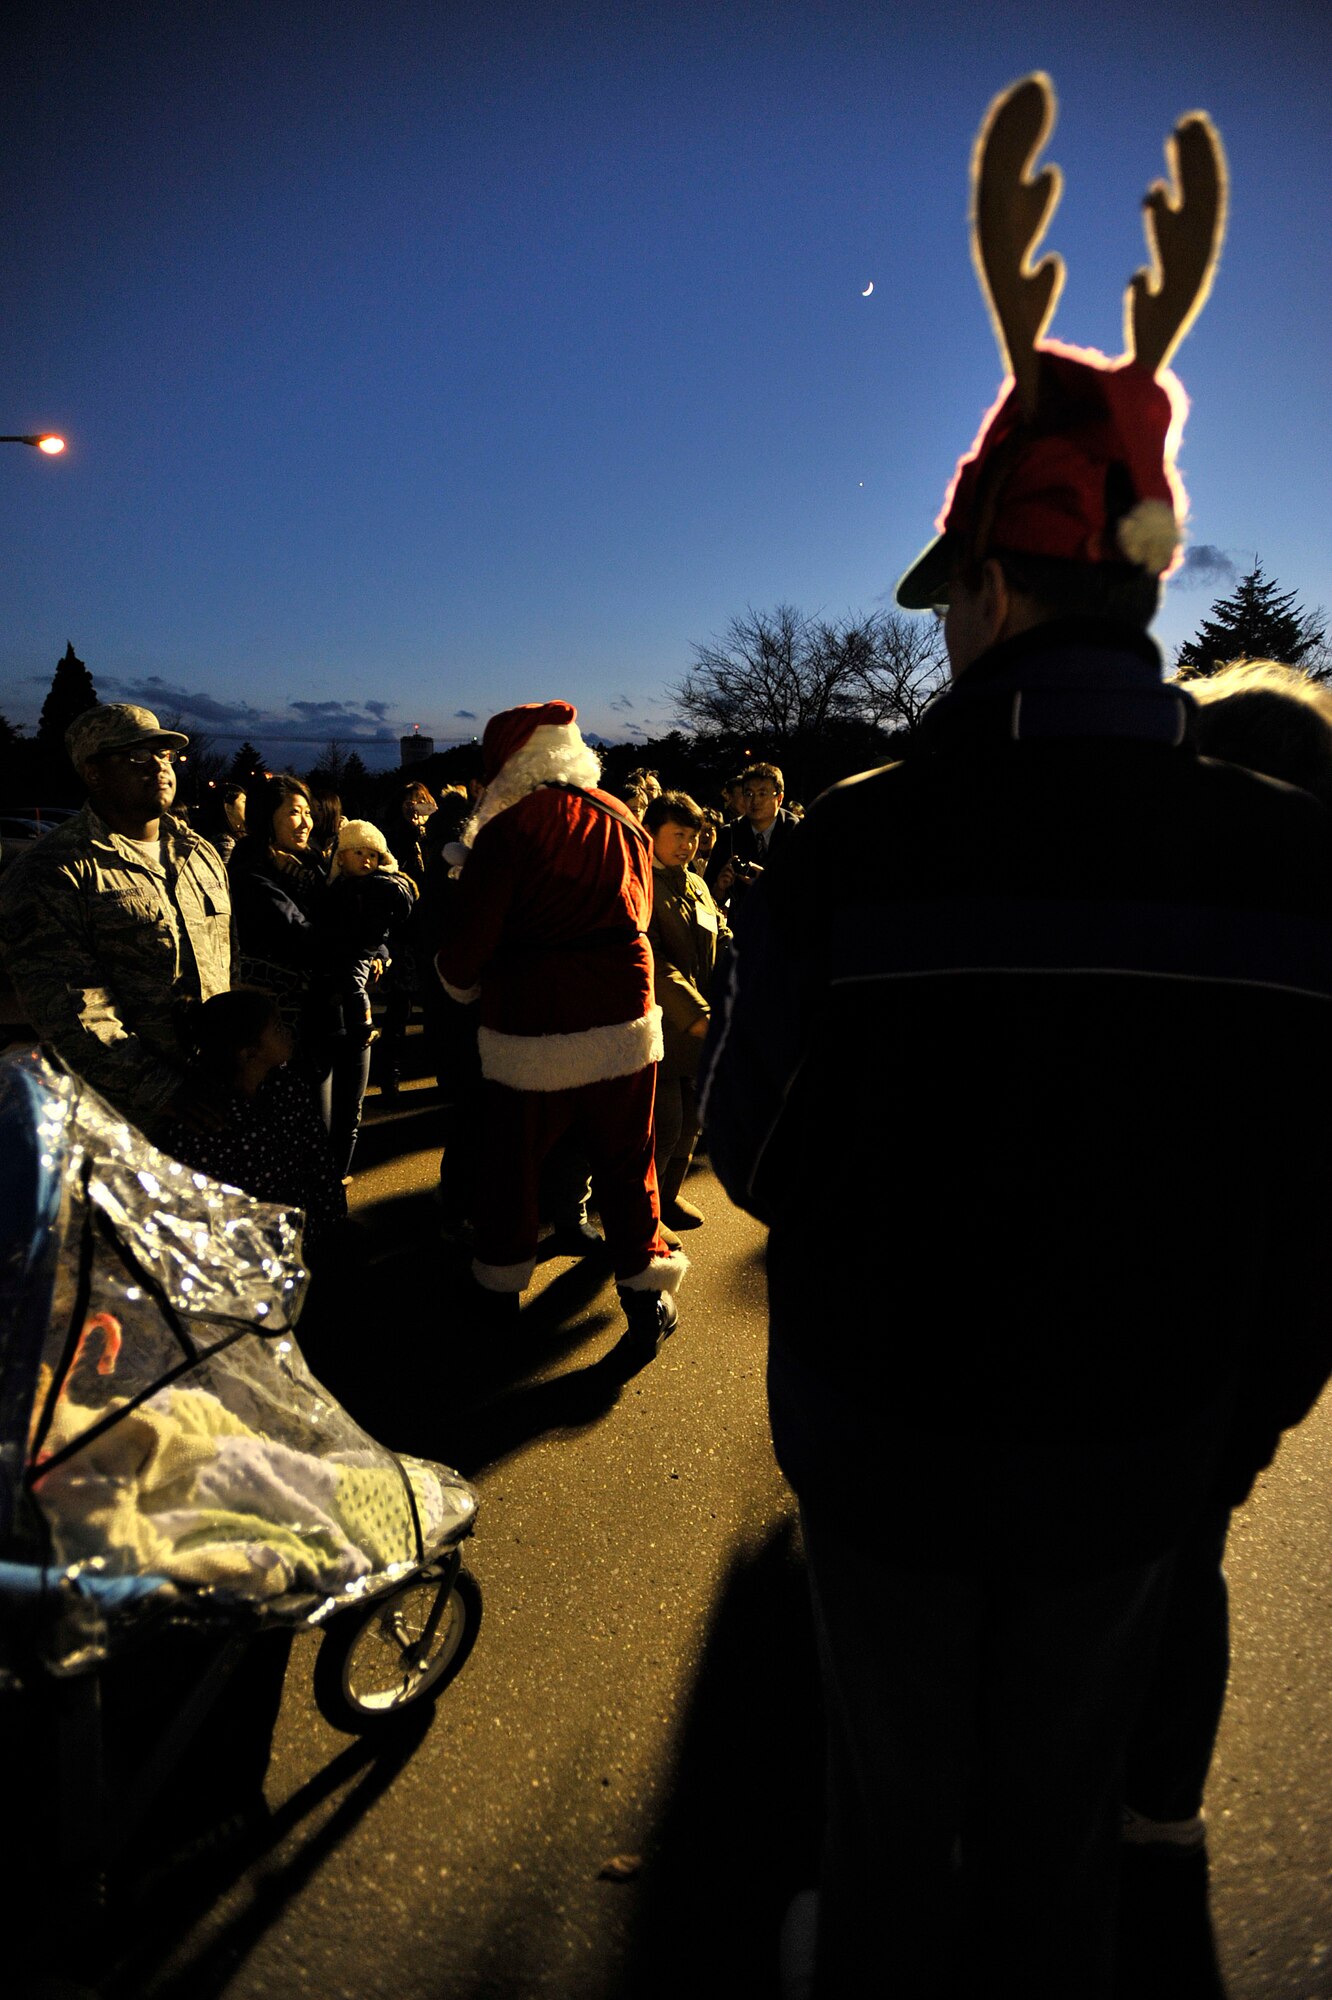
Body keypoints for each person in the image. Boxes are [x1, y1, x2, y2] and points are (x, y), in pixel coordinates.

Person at [702, 75, 1332, 1998]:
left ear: (986, 584)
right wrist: (1229, 1405)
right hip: (1138, 1444)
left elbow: (747, 1146)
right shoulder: (1291, 859)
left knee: (892, 1813)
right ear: (1139, 579)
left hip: (892, 1440)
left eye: (949, 592)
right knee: (1059, 1817)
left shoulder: (856, 843)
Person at [435, 699, 687, 1362]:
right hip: (626, 1016)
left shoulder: (512, 828)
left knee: (512, 1165)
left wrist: (457, 980)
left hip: (535, 1024)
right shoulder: (624, 817)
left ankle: (499, 1289)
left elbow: (471, 943)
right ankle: (648, 1292)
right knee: (628, 1162)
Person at [0, 703, 233, 1136]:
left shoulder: (199, 852)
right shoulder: (54, 870)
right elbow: (69, 1009)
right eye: (139, 756)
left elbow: (229, 962)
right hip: (128, 1119)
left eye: (165, 755)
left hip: (216, 1096)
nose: (160, 767)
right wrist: (162, 1090)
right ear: (94, 772)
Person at [158, 987, 347, 1261]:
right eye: (278, 1026)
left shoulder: (287, 1089)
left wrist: (333, 1218)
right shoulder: (204, 1120)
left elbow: (318, 1161)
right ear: (248, 1053)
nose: (288, 1030)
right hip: (243, 1260)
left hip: (305, 1240)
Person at [642, 791, 730, 1229]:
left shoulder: (692, 880)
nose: (687, 846)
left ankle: (668, 1199)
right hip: (664, 1025)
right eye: (678, 835)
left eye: (693, 837)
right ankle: (644, 1217)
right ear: (651, 832)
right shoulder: (641, 883)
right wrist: (697, 1016)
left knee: (693, 1120)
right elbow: (653, 960)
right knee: (666, 1126)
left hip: (701, 1025)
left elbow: (717, 932)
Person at [317, 818, 418, 1174]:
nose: (365, 860)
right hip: (332, 989)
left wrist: (379, 949)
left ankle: (363, 1023)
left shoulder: (375, 885)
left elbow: (401, 907)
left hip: (362, 950)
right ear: (341, 856)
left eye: (371, 855)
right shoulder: (336, 887)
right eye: (357, 853)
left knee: (355, 984)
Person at [705, 762, 799, 899]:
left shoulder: (796, 832)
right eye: (749, 794)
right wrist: (720, 887)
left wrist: (770, 883)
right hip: (742, 916)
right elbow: (709, 895)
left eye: (762, 794)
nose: (755, 801)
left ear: (779, 798)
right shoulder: (730, 834)